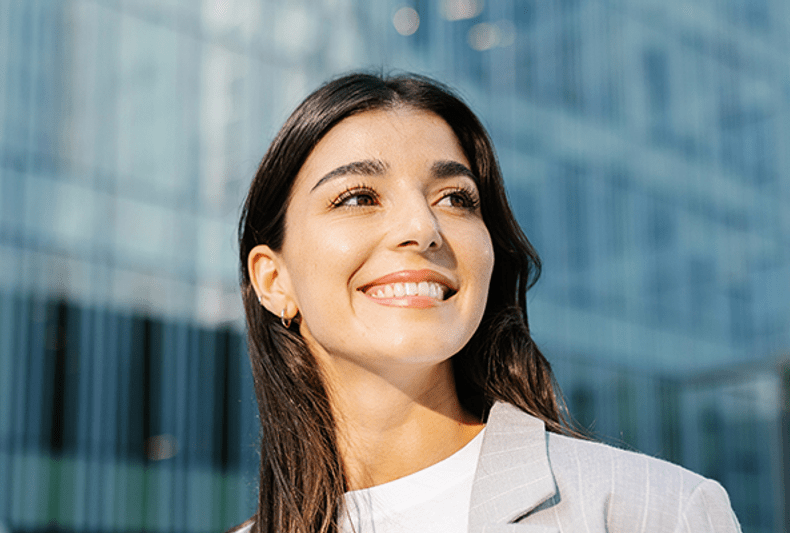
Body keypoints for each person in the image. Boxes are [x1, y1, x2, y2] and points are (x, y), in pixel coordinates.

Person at [235, 72, 741, 533]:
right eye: (359, 198)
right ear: (274, 280)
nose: (422, 229)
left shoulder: (654, 511)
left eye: (455, 198)